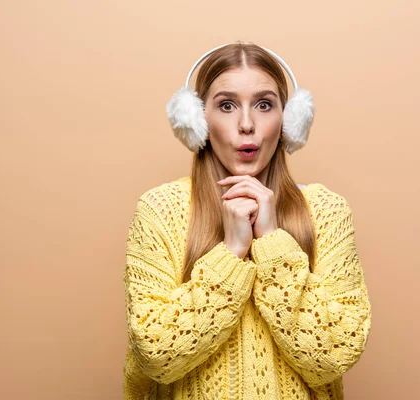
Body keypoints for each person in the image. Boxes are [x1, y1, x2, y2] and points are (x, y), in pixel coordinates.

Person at [122, 41, 372, 400]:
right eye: (226, 105)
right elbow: (155, 354)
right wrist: (231, 252)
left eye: (264, 104)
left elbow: (336, 353)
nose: (246, 124)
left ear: (289, 120)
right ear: (197, 120)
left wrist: (271, 242)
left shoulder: (326, 211)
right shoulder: (160, 210)